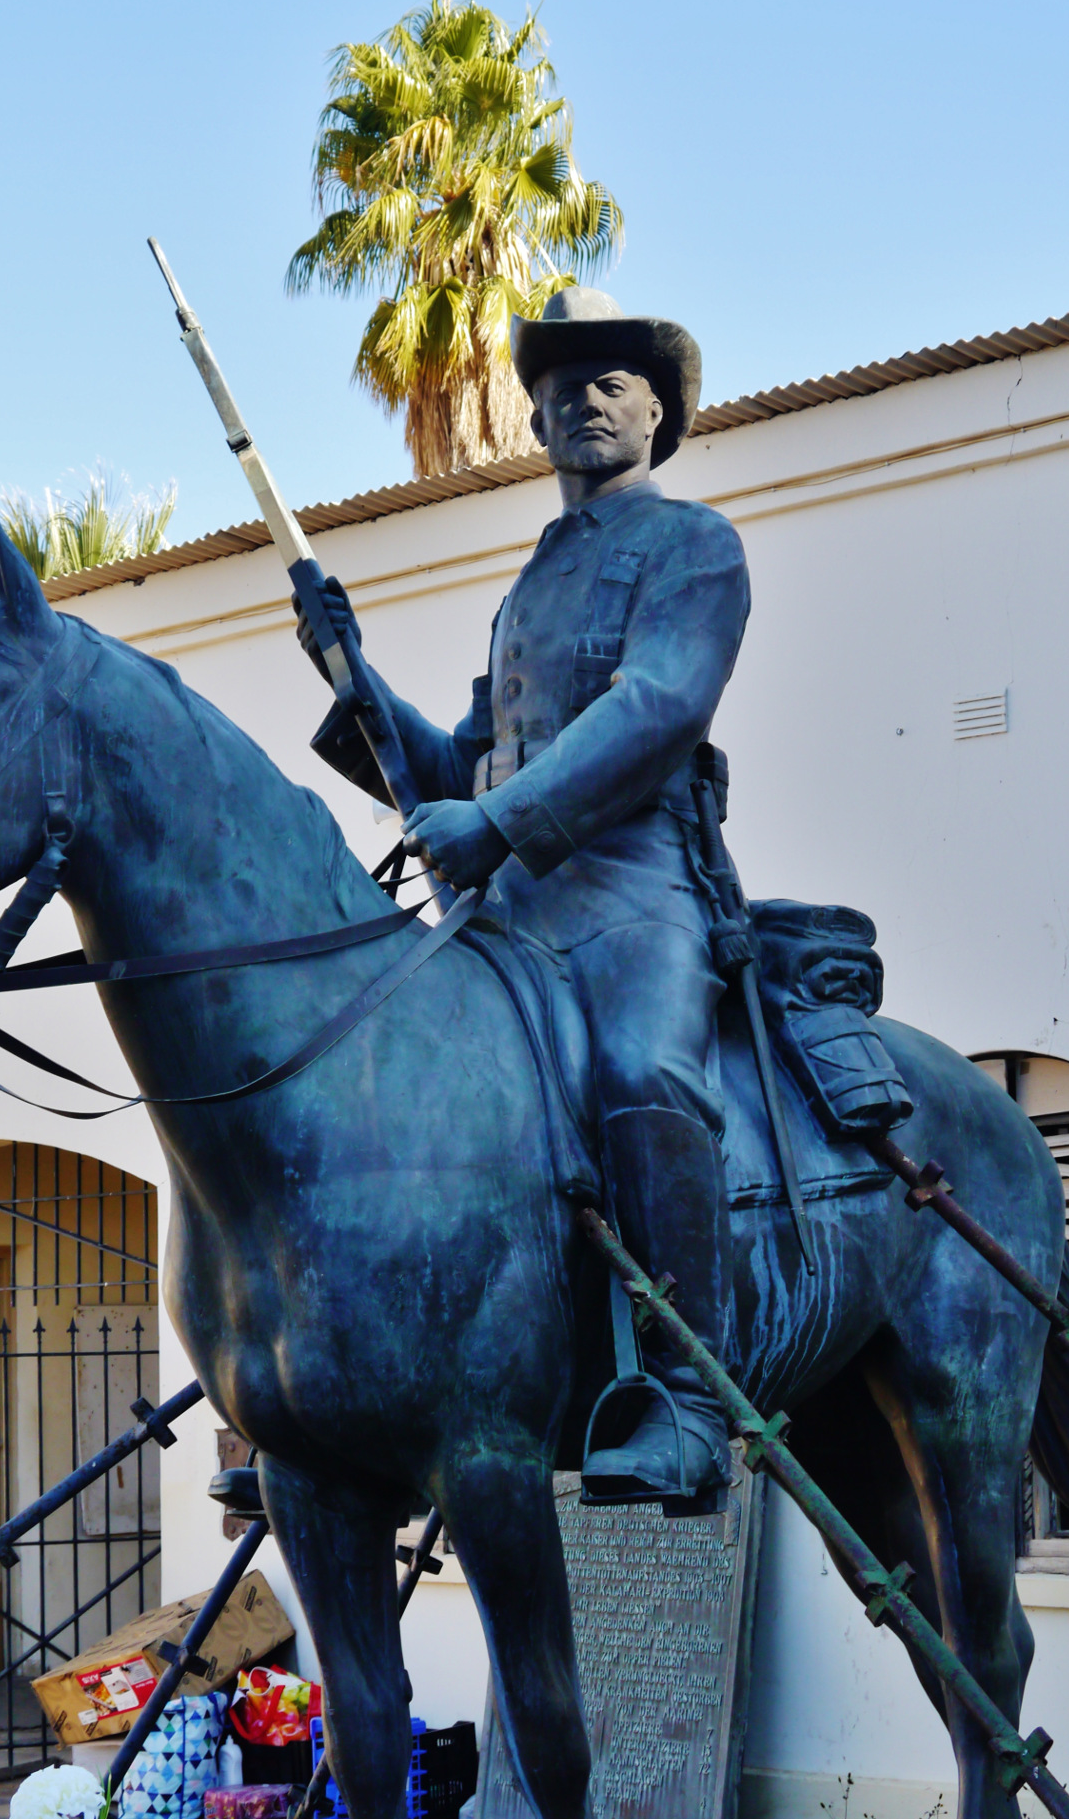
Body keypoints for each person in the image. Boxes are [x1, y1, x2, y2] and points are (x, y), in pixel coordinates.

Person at [298, 286, 750, 1504]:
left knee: (647, 1072)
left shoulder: (696, 546)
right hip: (506, 912)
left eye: (611, 381)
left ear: (656, 411)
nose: (581, 398)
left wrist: (495, 825)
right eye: (560, 385)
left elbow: (653, 710)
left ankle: (687, 1392)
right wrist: (352, 676)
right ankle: (363, 1391)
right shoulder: (527, 588)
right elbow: (455, 772)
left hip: (631, 887)